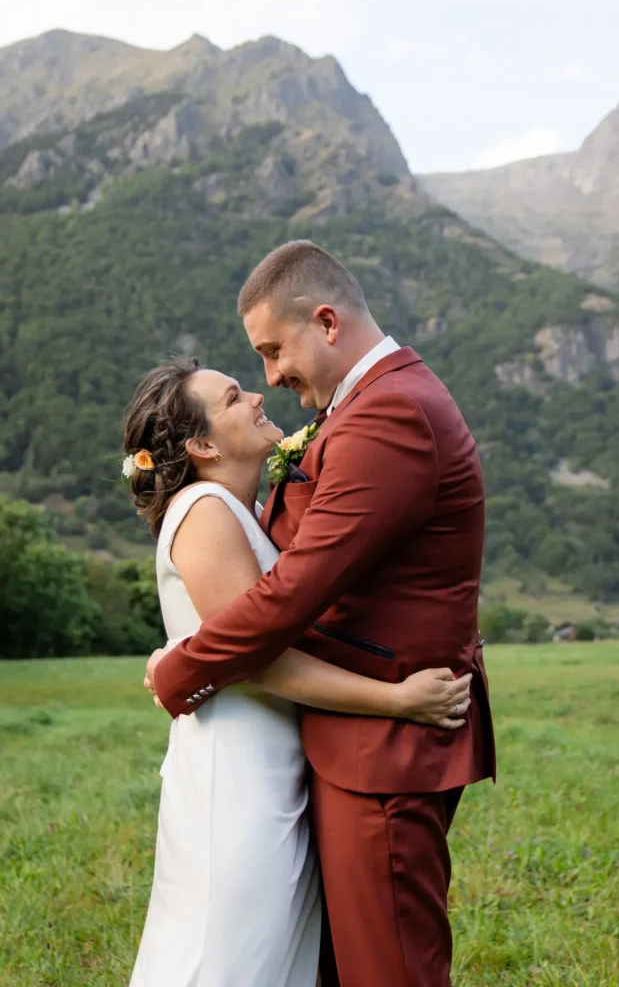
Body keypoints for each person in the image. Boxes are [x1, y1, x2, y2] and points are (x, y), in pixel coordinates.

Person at [147, 239, 496, 987]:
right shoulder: (367, 407)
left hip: (385, 747)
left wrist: (183, 665)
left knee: (387, 969)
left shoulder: (390, 413)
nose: (270, 377)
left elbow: (295, 587)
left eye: (273, 350)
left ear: (327, 322)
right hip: (348, 740)